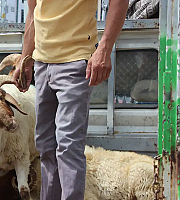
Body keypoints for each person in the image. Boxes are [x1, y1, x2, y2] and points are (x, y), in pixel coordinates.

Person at [12, 0, 129, 199]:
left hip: (75, 61)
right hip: (42, 64)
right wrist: (25, 59)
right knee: (46, 146)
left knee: (68, 145)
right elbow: (33, 11)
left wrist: (104, 49)